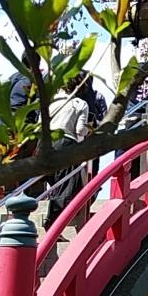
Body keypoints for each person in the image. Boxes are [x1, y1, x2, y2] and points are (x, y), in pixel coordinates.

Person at [45, 76, 92, 226]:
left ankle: (50, 220)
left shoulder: (50, 102)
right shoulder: (79, 103)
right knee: (65, 186)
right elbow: (80, 130)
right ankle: (53, 224)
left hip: (45, 142)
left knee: (52, 182)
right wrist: (90, 129)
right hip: (65, 142)